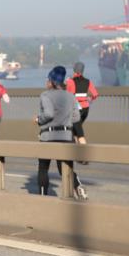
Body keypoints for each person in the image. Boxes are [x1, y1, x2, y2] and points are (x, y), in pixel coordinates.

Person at [36, 66, 86, 200]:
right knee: (65, 168)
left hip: (48, 136)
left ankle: (42, 196)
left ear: (52, 81)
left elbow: (48, 114)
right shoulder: (70, 96)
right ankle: (78, 186)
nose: (46, 82)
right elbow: (76, 118)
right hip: (66, 136)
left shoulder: (45, 95)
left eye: (48, 79)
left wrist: (38, 119)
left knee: (43, 168)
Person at [66, 61, 99, 163]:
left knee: (79, 133)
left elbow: (68, 95)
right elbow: (95, 94)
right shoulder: (88, 81)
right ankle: (77, 155)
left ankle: (84, 157)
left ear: (74, 70)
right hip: (85, 109)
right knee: (75, 130)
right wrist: (89, 99)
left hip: (76, 110)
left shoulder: (71, 81)